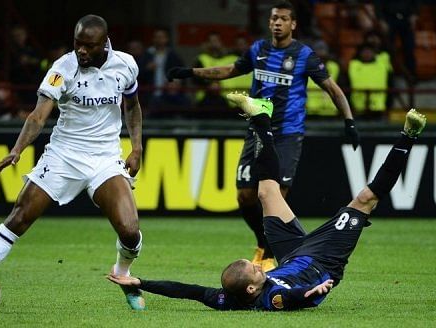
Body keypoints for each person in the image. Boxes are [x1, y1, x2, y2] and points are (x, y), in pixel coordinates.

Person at [108, 93, 426, 311]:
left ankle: (262, 119)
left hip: (293, 257)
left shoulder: (228, 299)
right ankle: (409, 135)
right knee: (365, 199)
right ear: (251, 289)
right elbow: (293, 299)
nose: (259, 265)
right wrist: (313, 292)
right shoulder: (273, 297)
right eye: (255, 269)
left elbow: (189, 291)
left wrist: (142, 281)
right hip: (322, 261)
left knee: (265, 193)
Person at [0, 14, 146, 311]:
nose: (82, 51)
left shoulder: (126, 65)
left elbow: (133, 106)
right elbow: (38, 116)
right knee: (19, 218)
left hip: (104, 157)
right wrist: (17, 149)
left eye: (89, 46)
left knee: (129, 230)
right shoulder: (62, 69)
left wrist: (137, 147)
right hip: (63, 155)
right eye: (78, 44)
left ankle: (123, 277)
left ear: (105, 44)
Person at [166, 0, 360, 272]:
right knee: (245, 197)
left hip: (287, 135)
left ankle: (274, 255)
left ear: (293, 24)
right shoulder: (258, 50)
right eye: (274, 18)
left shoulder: (304, 55)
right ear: (269, 22)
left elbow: (333, 89)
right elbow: (229, 70)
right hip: (257, 131)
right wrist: (190, 72)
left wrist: (349, 122)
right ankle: (263, 242)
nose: (277, 23)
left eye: (283, 19)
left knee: (273, 196)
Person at [373, 0, 419, 84]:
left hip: (406, 19)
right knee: (387, 51)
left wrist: (415, 14)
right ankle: (388, 76)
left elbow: (416, 2)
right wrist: (381, 20)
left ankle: (411, 75)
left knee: (409, 48)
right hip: (389, 19)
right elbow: (378, 5)